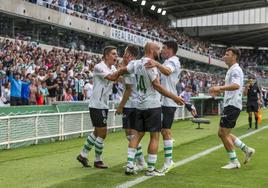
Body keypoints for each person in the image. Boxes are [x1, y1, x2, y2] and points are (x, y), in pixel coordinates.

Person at [119, 42, 184, 176]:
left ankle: (130, 165)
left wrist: (112, 75)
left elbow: (123, 71)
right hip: (154, 104)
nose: (160, 51)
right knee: (155, 136)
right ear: (152, 50)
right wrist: (175, 97)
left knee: (136, 134)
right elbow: (157, 85)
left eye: (162, 49)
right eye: (159, 49)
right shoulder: (151, 64)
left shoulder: (137, 63)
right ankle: (152, 168)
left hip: (139, 104)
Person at [209, 47, 255, 169]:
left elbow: (236, 85)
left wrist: (219, 88)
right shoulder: (232, 70)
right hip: (231, 104)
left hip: (232, 104)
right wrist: (220, 91)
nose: (224, 56)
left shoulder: (236, 70)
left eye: (227, 54)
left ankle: (234, 161)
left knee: (222, 133)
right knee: (225, 133)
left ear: (234, 56)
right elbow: (233, 87)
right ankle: (246, 149)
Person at [77, 46, 122, 169]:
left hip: (103, 104)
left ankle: (83, 155)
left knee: (97, 132)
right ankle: (98, 160)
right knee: (103, 132)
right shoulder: (99, 67)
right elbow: (113, 77)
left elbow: (119, 78)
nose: (116, 56)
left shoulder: (112, 67)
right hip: (97, 104)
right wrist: (124, 69)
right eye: (113, 54)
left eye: (116, 54)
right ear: (106, 55)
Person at [144, 40, 182, 173]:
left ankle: (168, 161)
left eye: (164, 48)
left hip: (169, 101)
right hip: (164, 100)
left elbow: (167, 72)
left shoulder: (173, 61)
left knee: (165, 131)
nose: (161, 50)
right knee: (164, 131)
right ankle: (168, 160)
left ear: (170, 49)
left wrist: (156, 63)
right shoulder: (167, 61)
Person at [116, 44, 146, 171]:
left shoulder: (131, 67)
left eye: (125, 52)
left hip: (132, 104)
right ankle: (140, 161)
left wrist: (120, 106)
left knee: (132, 135)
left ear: (130, 54)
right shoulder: (134, 66)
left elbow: (128, 90)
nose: (123, 54)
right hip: (134, 103)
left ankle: (133, 162)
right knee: (130, 134)